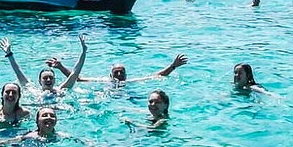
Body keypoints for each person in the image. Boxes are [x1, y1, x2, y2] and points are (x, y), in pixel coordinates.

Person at [0, 35, 87, 94]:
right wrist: (9, 54)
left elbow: (75, 72)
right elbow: (18, 72)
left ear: (54, 80)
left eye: (51, 78)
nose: (48, 80)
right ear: (39, 81)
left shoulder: (61, 91)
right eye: (45, 78)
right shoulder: (34, 92)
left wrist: (83, 52)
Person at [48, 54, 188, 84]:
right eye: (116, 72)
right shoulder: (104, 82)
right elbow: (77, 79)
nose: (119, 74)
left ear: (126, 75)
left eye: (122, 72)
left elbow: (157, 76)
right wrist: (60, 67)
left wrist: (173, 66)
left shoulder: (129, 82)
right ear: (110, 75)